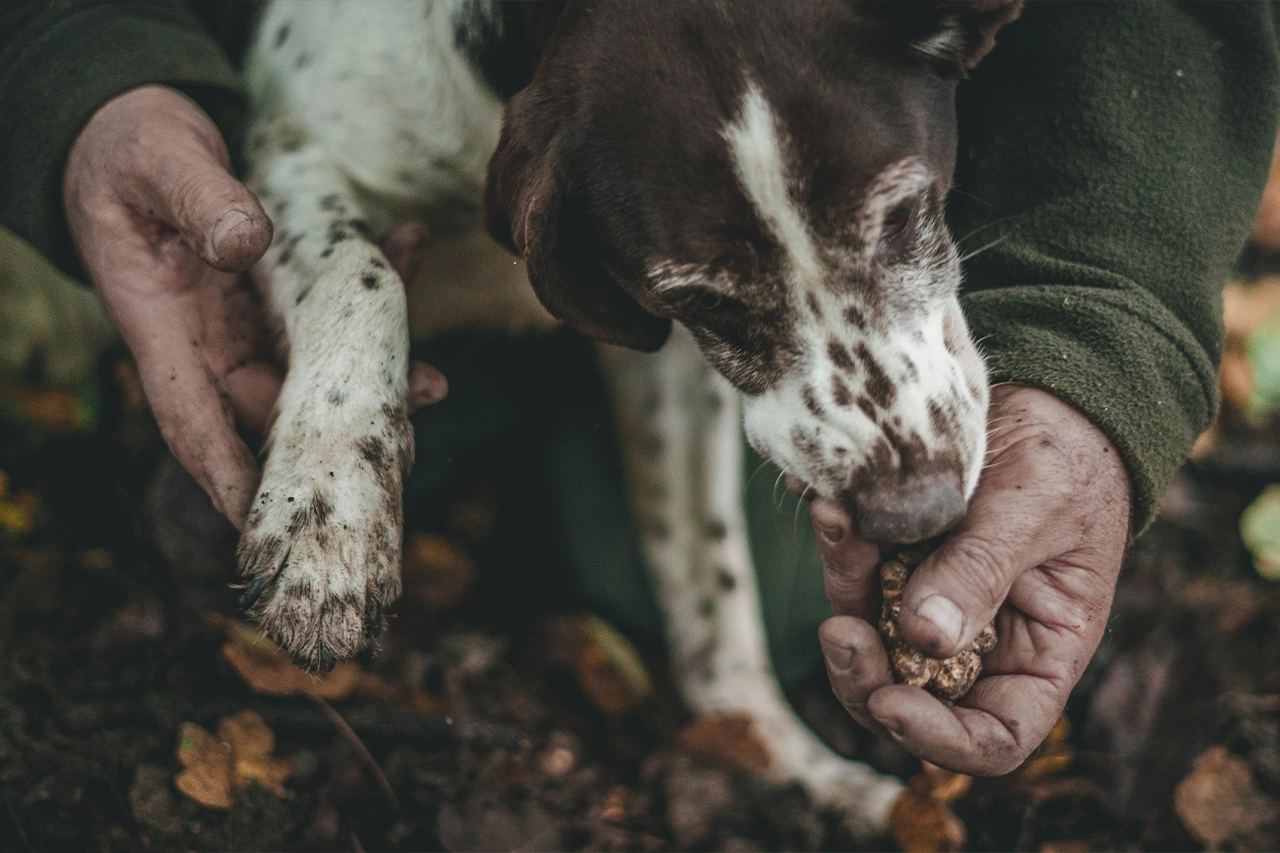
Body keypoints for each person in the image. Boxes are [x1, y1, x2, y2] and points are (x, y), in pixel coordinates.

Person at [1, 1, 1276, 776]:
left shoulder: (891, 24)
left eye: (897, 224)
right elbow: (295, 160)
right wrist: (82, 78)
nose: (909, 445)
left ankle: (721, 672)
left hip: (602, 247)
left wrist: (1096, 344)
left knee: (797, 629)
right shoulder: (413, 71)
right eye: (708, 293)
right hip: (455, 221)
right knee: (253, 452)